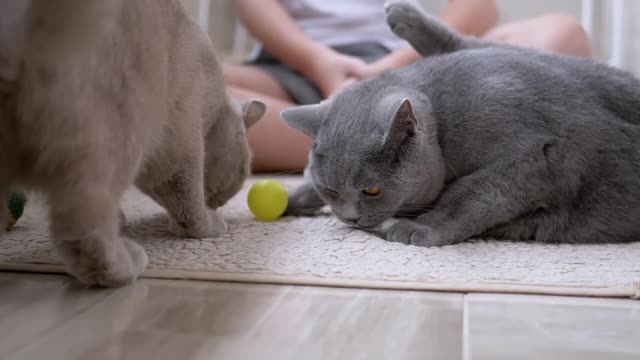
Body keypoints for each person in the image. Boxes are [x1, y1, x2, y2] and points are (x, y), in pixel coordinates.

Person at [224, 0, 592, 172]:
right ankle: (393, 154)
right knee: (196, 90)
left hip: (412, 65)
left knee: (563, 34)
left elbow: (480, 6)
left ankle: (399, 150)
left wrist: (395, 64)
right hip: (294, 72)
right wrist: (318, 62)